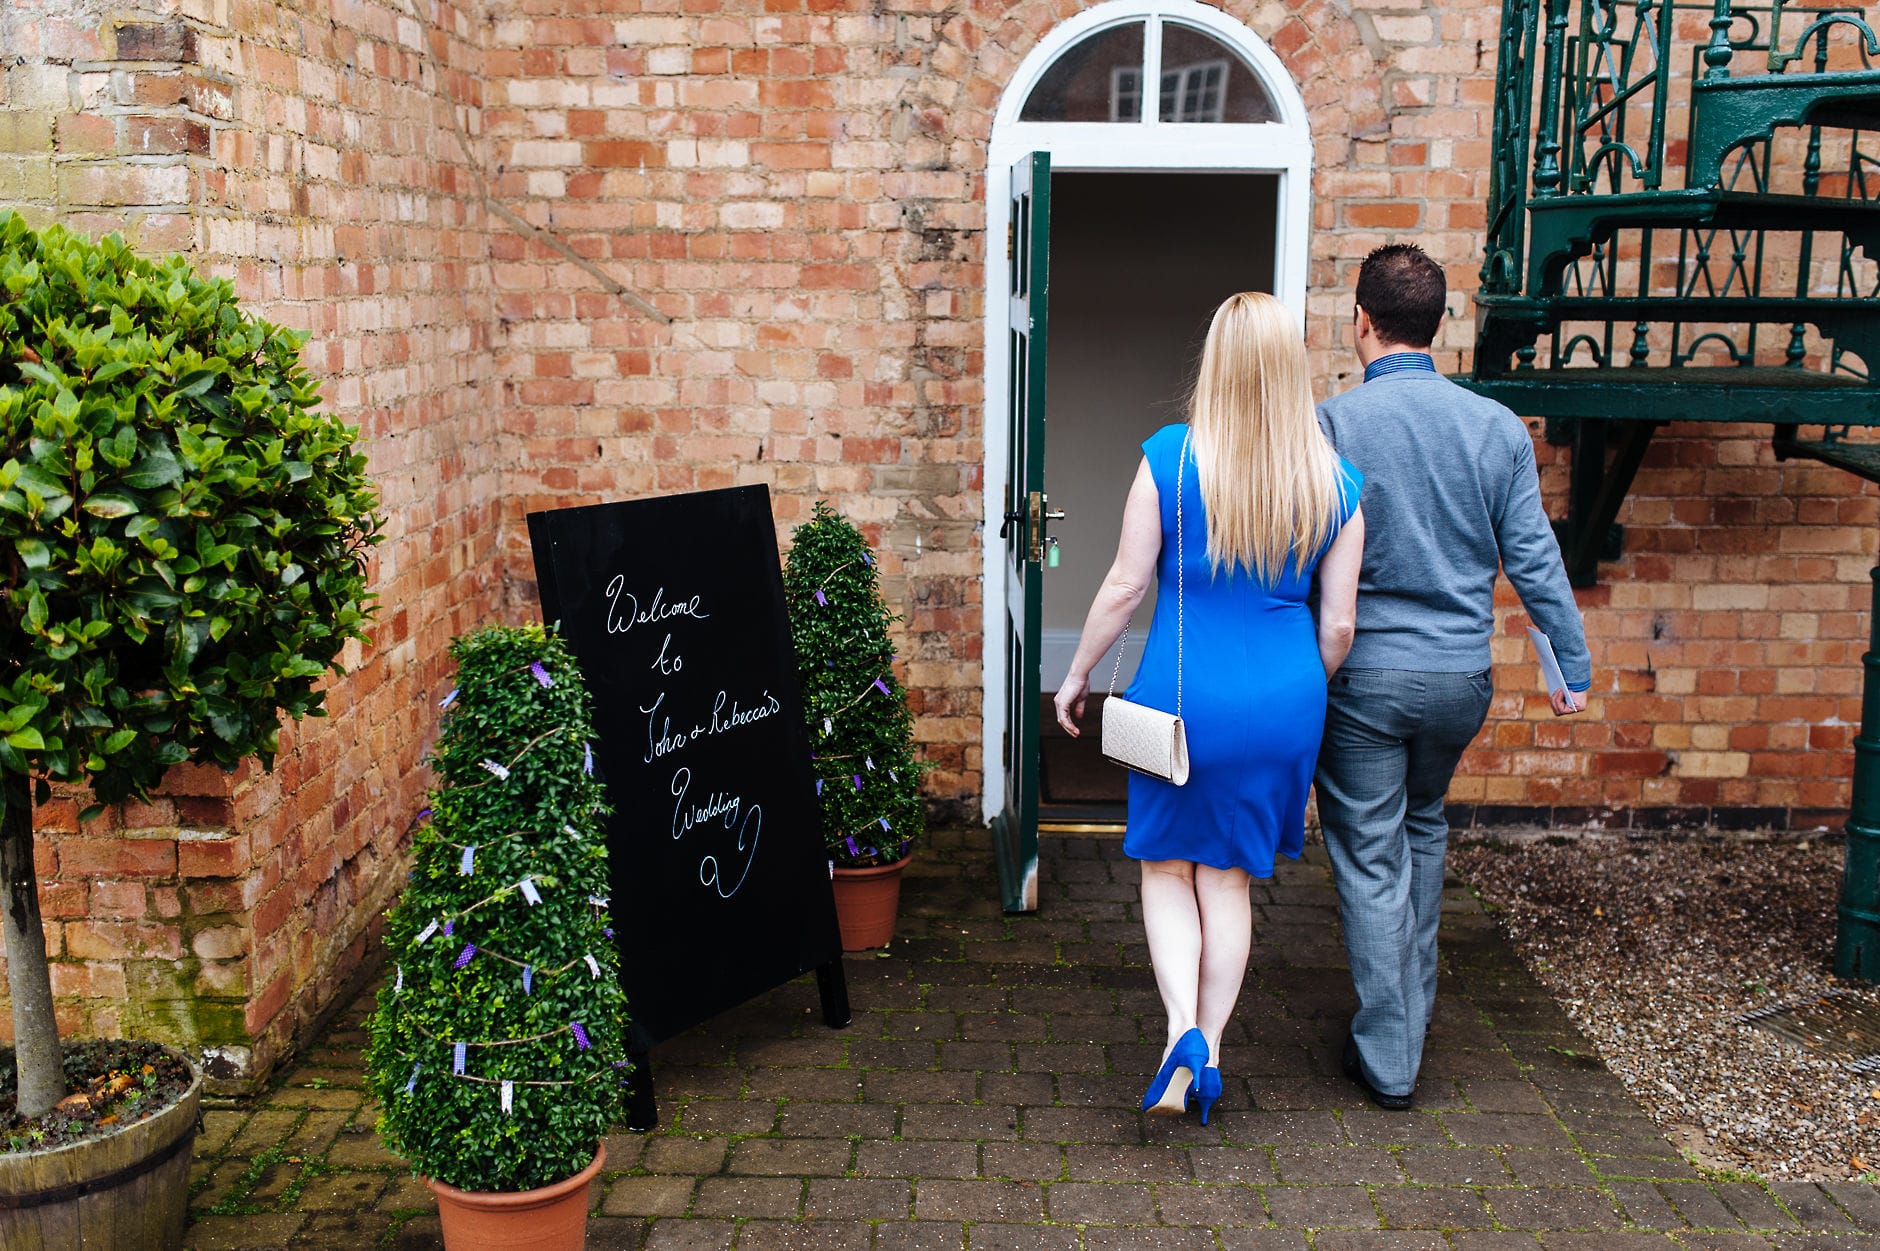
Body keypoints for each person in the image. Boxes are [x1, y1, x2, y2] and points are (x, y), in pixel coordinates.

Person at [1054, 291, 1366, 1124]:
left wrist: (1077, 673)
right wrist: (1298, 689)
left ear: (1215, 365)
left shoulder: (1169, 458)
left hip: (1183, 703)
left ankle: (1179, 1034)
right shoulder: (1336, 483)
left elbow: (1125, 585)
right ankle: (1211, 1052)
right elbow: (1337, 625)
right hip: (1284, 702)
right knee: (1227, 878)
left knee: (1165, 866)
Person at [1313, 243, 1592, 1111]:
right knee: (1422, 826)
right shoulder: (1497, 428)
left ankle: (1391, 1053)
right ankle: (1412, 1010)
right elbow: (1536, 562)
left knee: (1368, 851)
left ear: (1360, 320)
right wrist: (1569, 663)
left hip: (1365, 678)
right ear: (1440, 326)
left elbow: (1302, 557)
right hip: (1460, 678)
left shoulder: (1332, 425)